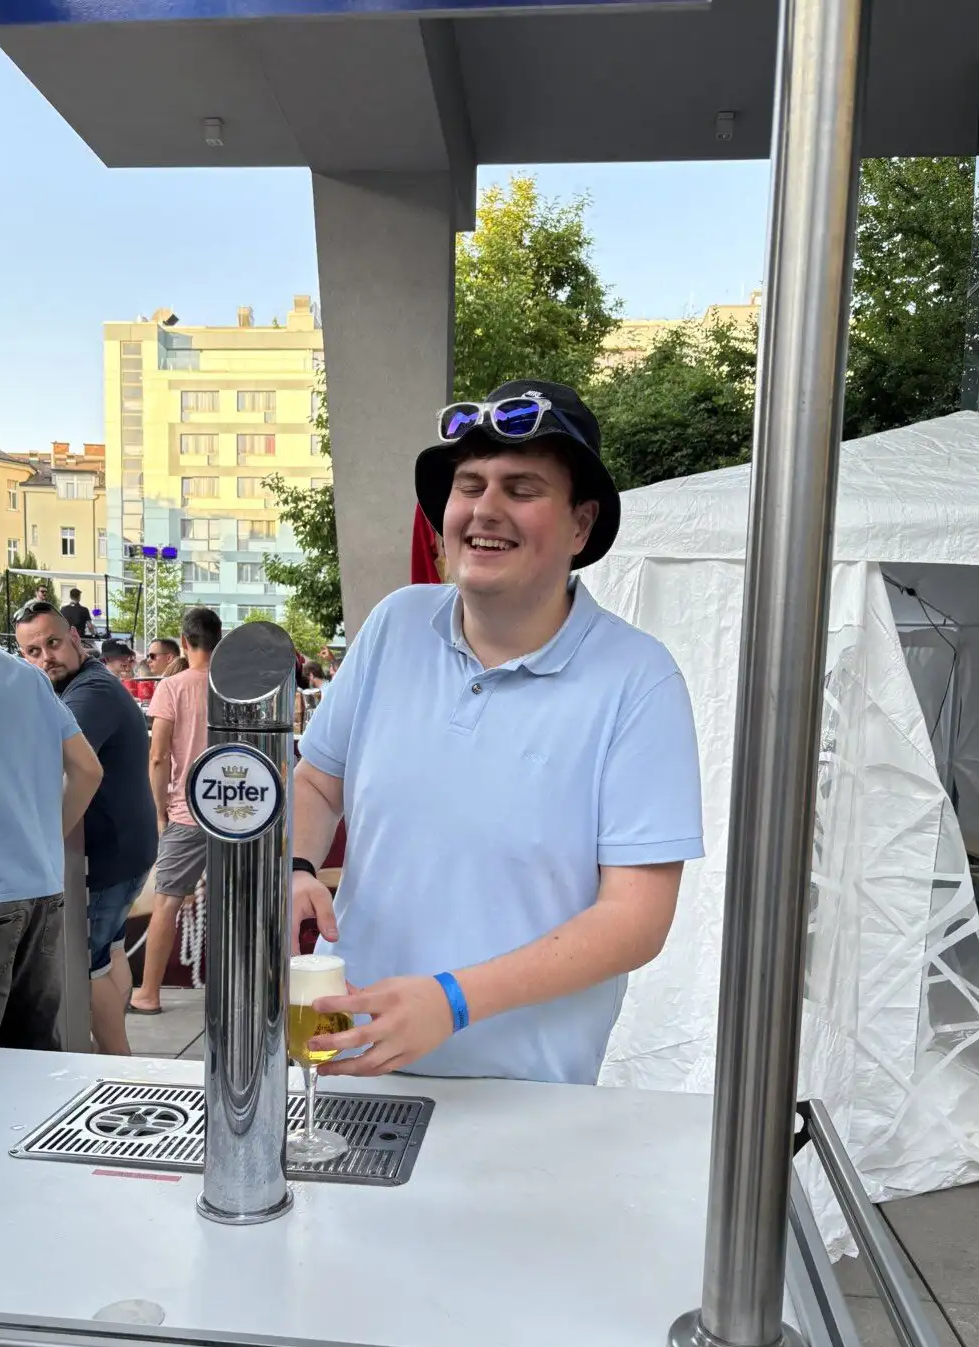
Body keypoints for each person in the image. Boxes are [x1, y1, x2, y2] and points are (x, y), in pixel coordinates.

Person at [292, 379, 703, 1085]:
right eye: (470, 484)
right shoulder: (395, 625)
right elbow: (317, 782)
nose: (485, 509)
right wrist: (296, 866)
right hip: (351, 1069)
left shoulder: (639, 679)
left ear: (580, 526)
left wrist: (451, 1001)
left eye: (522, 488)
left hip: (525, 1099)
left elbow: (636, 919)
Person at [0, 547, 102, 1050]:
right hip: (38, 887)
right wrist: (42, 838)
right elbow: (87, 769)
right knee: (35, 1060)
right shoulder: (24, 675)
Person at [14, 601, 158, 1055]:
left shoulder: (89, 694)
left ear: (75, 638)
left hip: (109, 854)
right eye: (33, 651)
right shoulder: (87, 684)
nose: (46, 658)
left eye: (53, 643)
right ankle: (120, 1055)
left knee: (86, 964)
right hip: (125, 849)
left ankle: (118, 1065)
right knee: (110, 951)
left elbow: (47, 761)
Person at [130, 607, 222, 1016]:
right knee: (235, 900)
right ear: (220, 639)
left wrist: (160, 810)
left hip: (187, 810)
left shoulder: (172, 687)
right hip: (234, 809)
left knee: (167, 900)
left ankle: (148, 993)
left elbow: (158, 755)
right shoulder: (233, 687)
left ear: (184, 642)